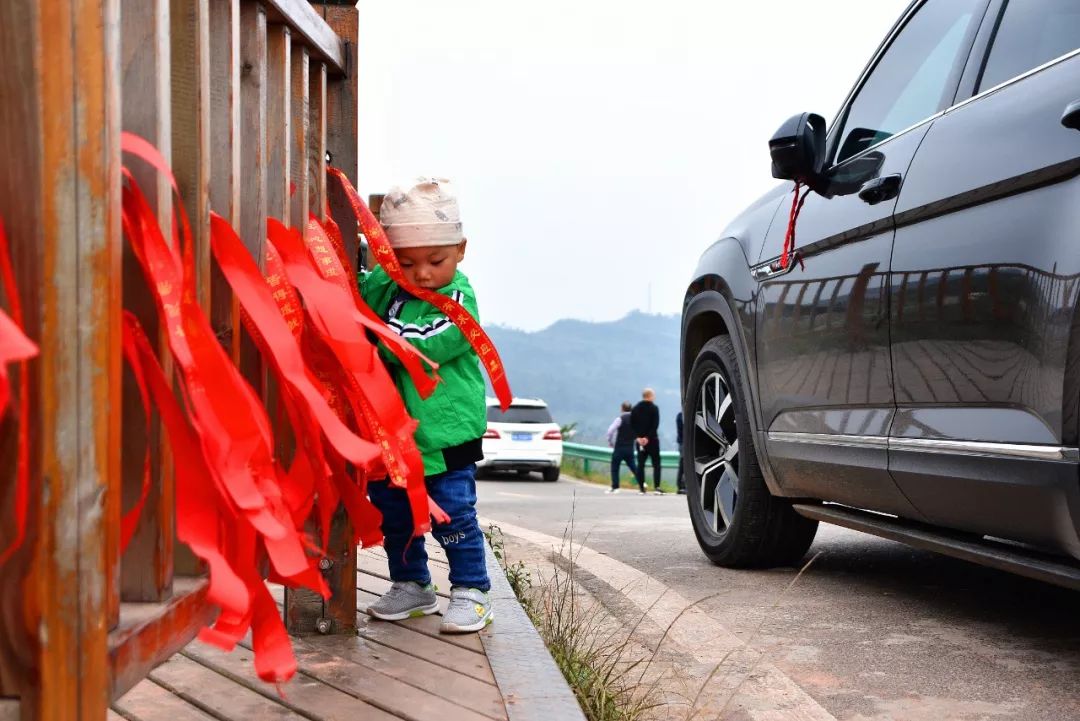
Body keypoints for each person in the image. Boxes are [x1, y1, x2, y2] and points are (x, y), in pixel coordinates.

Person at [360, 178, 492, 634]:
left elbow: (424, 345)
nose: (421, 275)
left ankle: (472, 590)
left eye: (436, 261)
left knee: (454, 512)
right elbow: (363, 296)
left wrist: (376, 338)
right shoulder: (393, 291)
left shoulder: (458, 299)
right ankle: (412, 585)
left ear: (461, 250)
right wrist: (381, 267)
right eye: (405, 262)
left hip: (447, 432)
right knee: (394, 512)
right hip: (395, 433)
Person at [631, 388, 663, 495]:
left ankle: (641, 488)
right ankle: (657, 487)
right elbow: (655, 425)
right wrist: (647, 438)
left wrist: (638, 438)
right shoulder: (654, 408)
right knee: (656, 464)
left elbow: (632, 425)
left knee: (641, 464)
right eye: (653, 395)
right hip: (652, 441)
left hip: (640, 442)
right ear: (649, 396)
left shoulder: (635, 409)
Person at [605, 402, 638, 494]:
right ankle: (642, 483)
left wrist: (610, 442)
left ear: (622, 409)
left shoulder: (620, 419)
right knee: (633, 467)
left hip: (619, 447)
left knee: (615, 466)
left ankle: (615, 487)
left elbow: (610, 431)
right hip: (630, 447)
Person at [675, 411, 686, 494]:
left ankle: (681, 485)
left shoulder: (680, 415)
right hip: (684, 443)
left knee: (682, 464)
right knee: (683, 464)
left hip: (681, 442)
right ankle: (681, 485)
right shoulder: (682, 416)